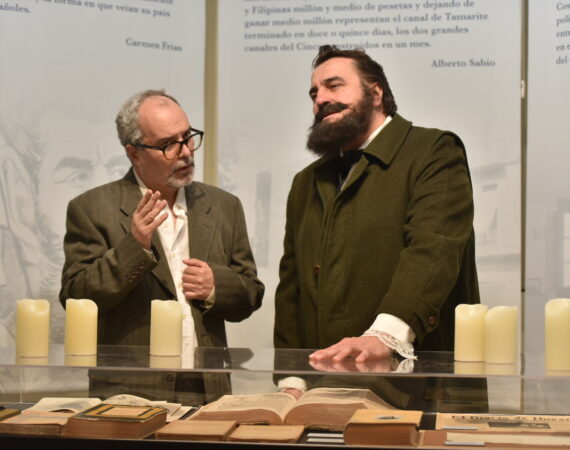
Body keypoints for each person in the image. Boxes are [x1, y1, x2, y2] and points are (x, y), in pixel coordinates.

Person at [274, 45, 480, 400]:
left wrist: (384, 337)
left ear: (376, 91)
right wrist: (292, 380)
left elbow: (433, 250)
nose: (320, 99)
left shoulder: (434, 151)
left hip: (417, 391)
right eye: (314, 92)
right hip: (324, 395)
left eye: (334, 85)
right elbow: (292, 287)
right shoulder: (305, 182)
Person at [59, 89, 264, 404]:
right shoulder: (92, 208)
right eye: (169, 144)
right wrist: (134, 247)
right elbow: (77, 297)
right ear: (134, 153)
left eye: (188, 136)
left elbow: (251, 293)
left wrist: (214, 287)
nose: (185, 152)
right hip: (129, 393)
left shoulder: (224, 206)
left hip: (206, 390)